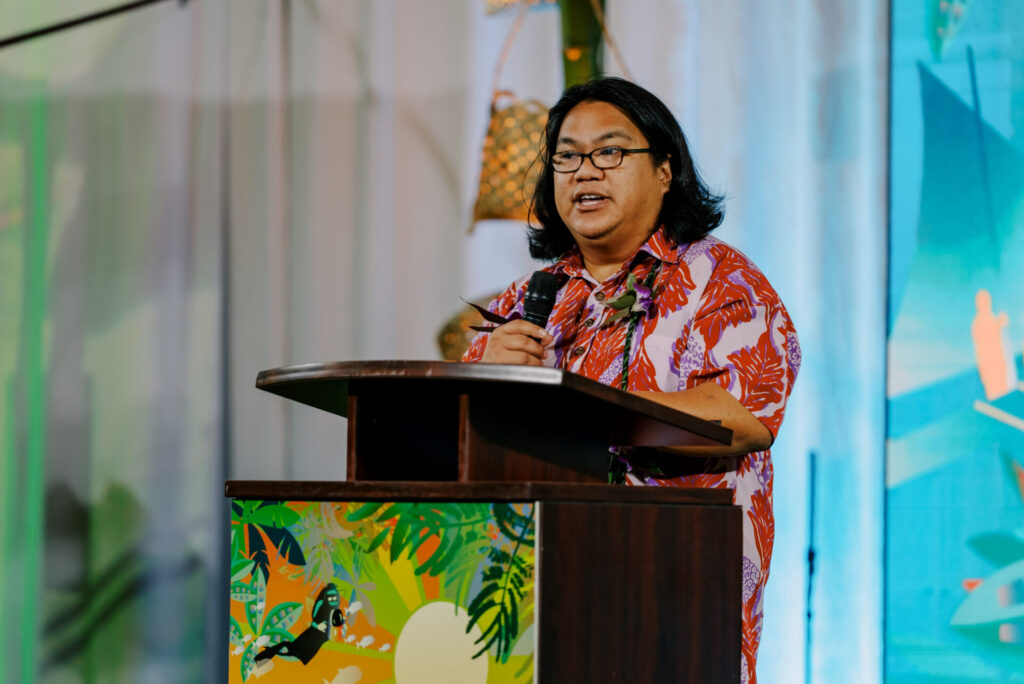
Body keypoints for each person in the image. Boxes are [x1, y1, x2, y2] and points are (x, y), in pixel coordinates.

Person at [462, 77, 800, 683]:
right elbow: (459, 436)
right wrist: (487, 375)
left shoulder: (722, 283)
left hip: (671, 598)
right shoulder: (528, 299)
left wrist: (576, 411)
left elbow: (742, 418)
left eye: (610, 152)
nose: (584, 172)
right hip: (537, 597)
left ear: (665, 170)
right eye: (566, 156)